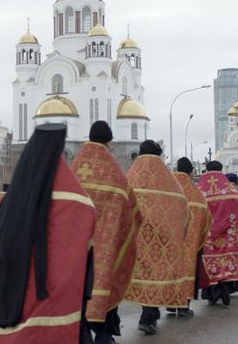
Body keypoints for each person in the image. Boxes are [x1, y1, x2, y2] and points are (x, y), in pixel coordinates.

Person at [0, 124, 96, 343]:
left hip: (11, 309)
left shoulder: (8, 202)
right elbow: (88, 261)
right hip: (58, 312)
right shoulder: (80, 203)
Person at [71, 121, 140, 343]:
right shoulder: (114, 173)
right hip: (106, 246)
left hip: (77, 244)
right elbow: (133, 210)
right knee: (107, 281)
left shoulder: (75, 168)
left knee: (78, 287)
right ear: (109, 141)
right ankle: (104, 334)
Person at [125, 140, 189, 335]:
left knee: (138, 275)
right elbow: (184, 210)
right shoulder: (168, 180)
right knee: (155, 275)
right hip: (161, 238)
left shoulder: (130, 177)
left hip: (135, 237)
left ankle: (144, 317)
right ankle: (149, 316)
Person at [198, 161, 238, 307]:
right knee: (225, 262)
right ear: (221, 169)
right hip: (228, 235)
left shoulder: (199, 190)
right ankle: (224, 285)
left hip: (208, 236)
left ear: (206, 170)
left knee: (208, 265)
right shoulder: (233, 191)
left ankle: (213, 293)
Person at [172, 157, 213, 317]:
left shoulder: (169, 185)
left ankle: (170, 304)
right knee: (188, 271)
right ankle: (183, 307)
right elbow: (207, 217)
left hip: (171, 240)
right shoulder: (196, 193)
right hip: (191, 241)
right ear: (190, 172)